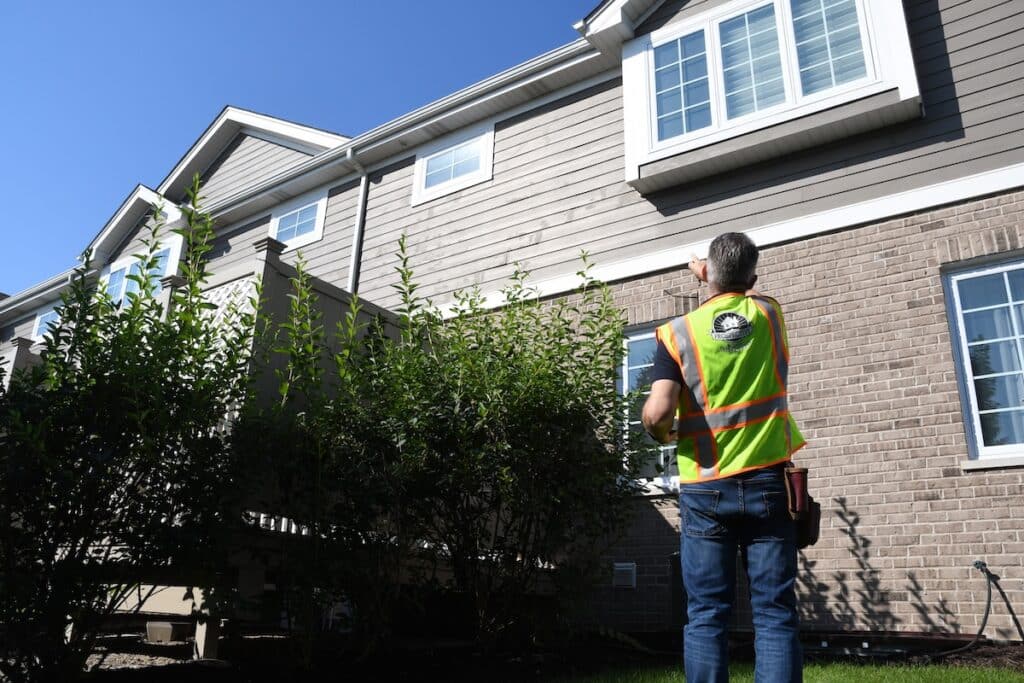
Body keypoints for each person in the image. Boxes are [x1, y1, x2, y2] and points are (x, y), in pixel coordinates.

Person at [641, 232, 805, 683]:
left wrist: (662, 432)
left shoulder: (678, 334)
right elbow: (741, 295)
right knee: (774, 612)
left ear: (707, 272)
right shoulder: (770, 315)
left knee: (708, 614)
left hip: (706, 488)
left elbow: (657, 412)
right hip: (768, 482)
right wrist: (720, 278)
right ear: (752, 276)